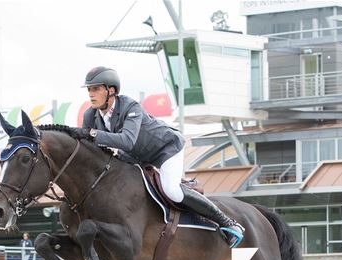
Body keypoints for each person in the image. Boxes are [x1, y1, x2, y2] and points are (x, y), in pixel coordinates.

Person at [70, 66, 244, 247]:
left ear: (111, 90)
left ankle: (228, 223)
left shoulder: (130, 106)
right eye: (89, 89)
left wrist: (92, 134)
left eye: (96, 89)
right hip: (135, 157)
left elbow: (127, 140)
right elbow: (89, 148)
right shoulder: (90, 114)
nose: (91, 94)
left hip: (165, 149)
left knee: (172, 191)